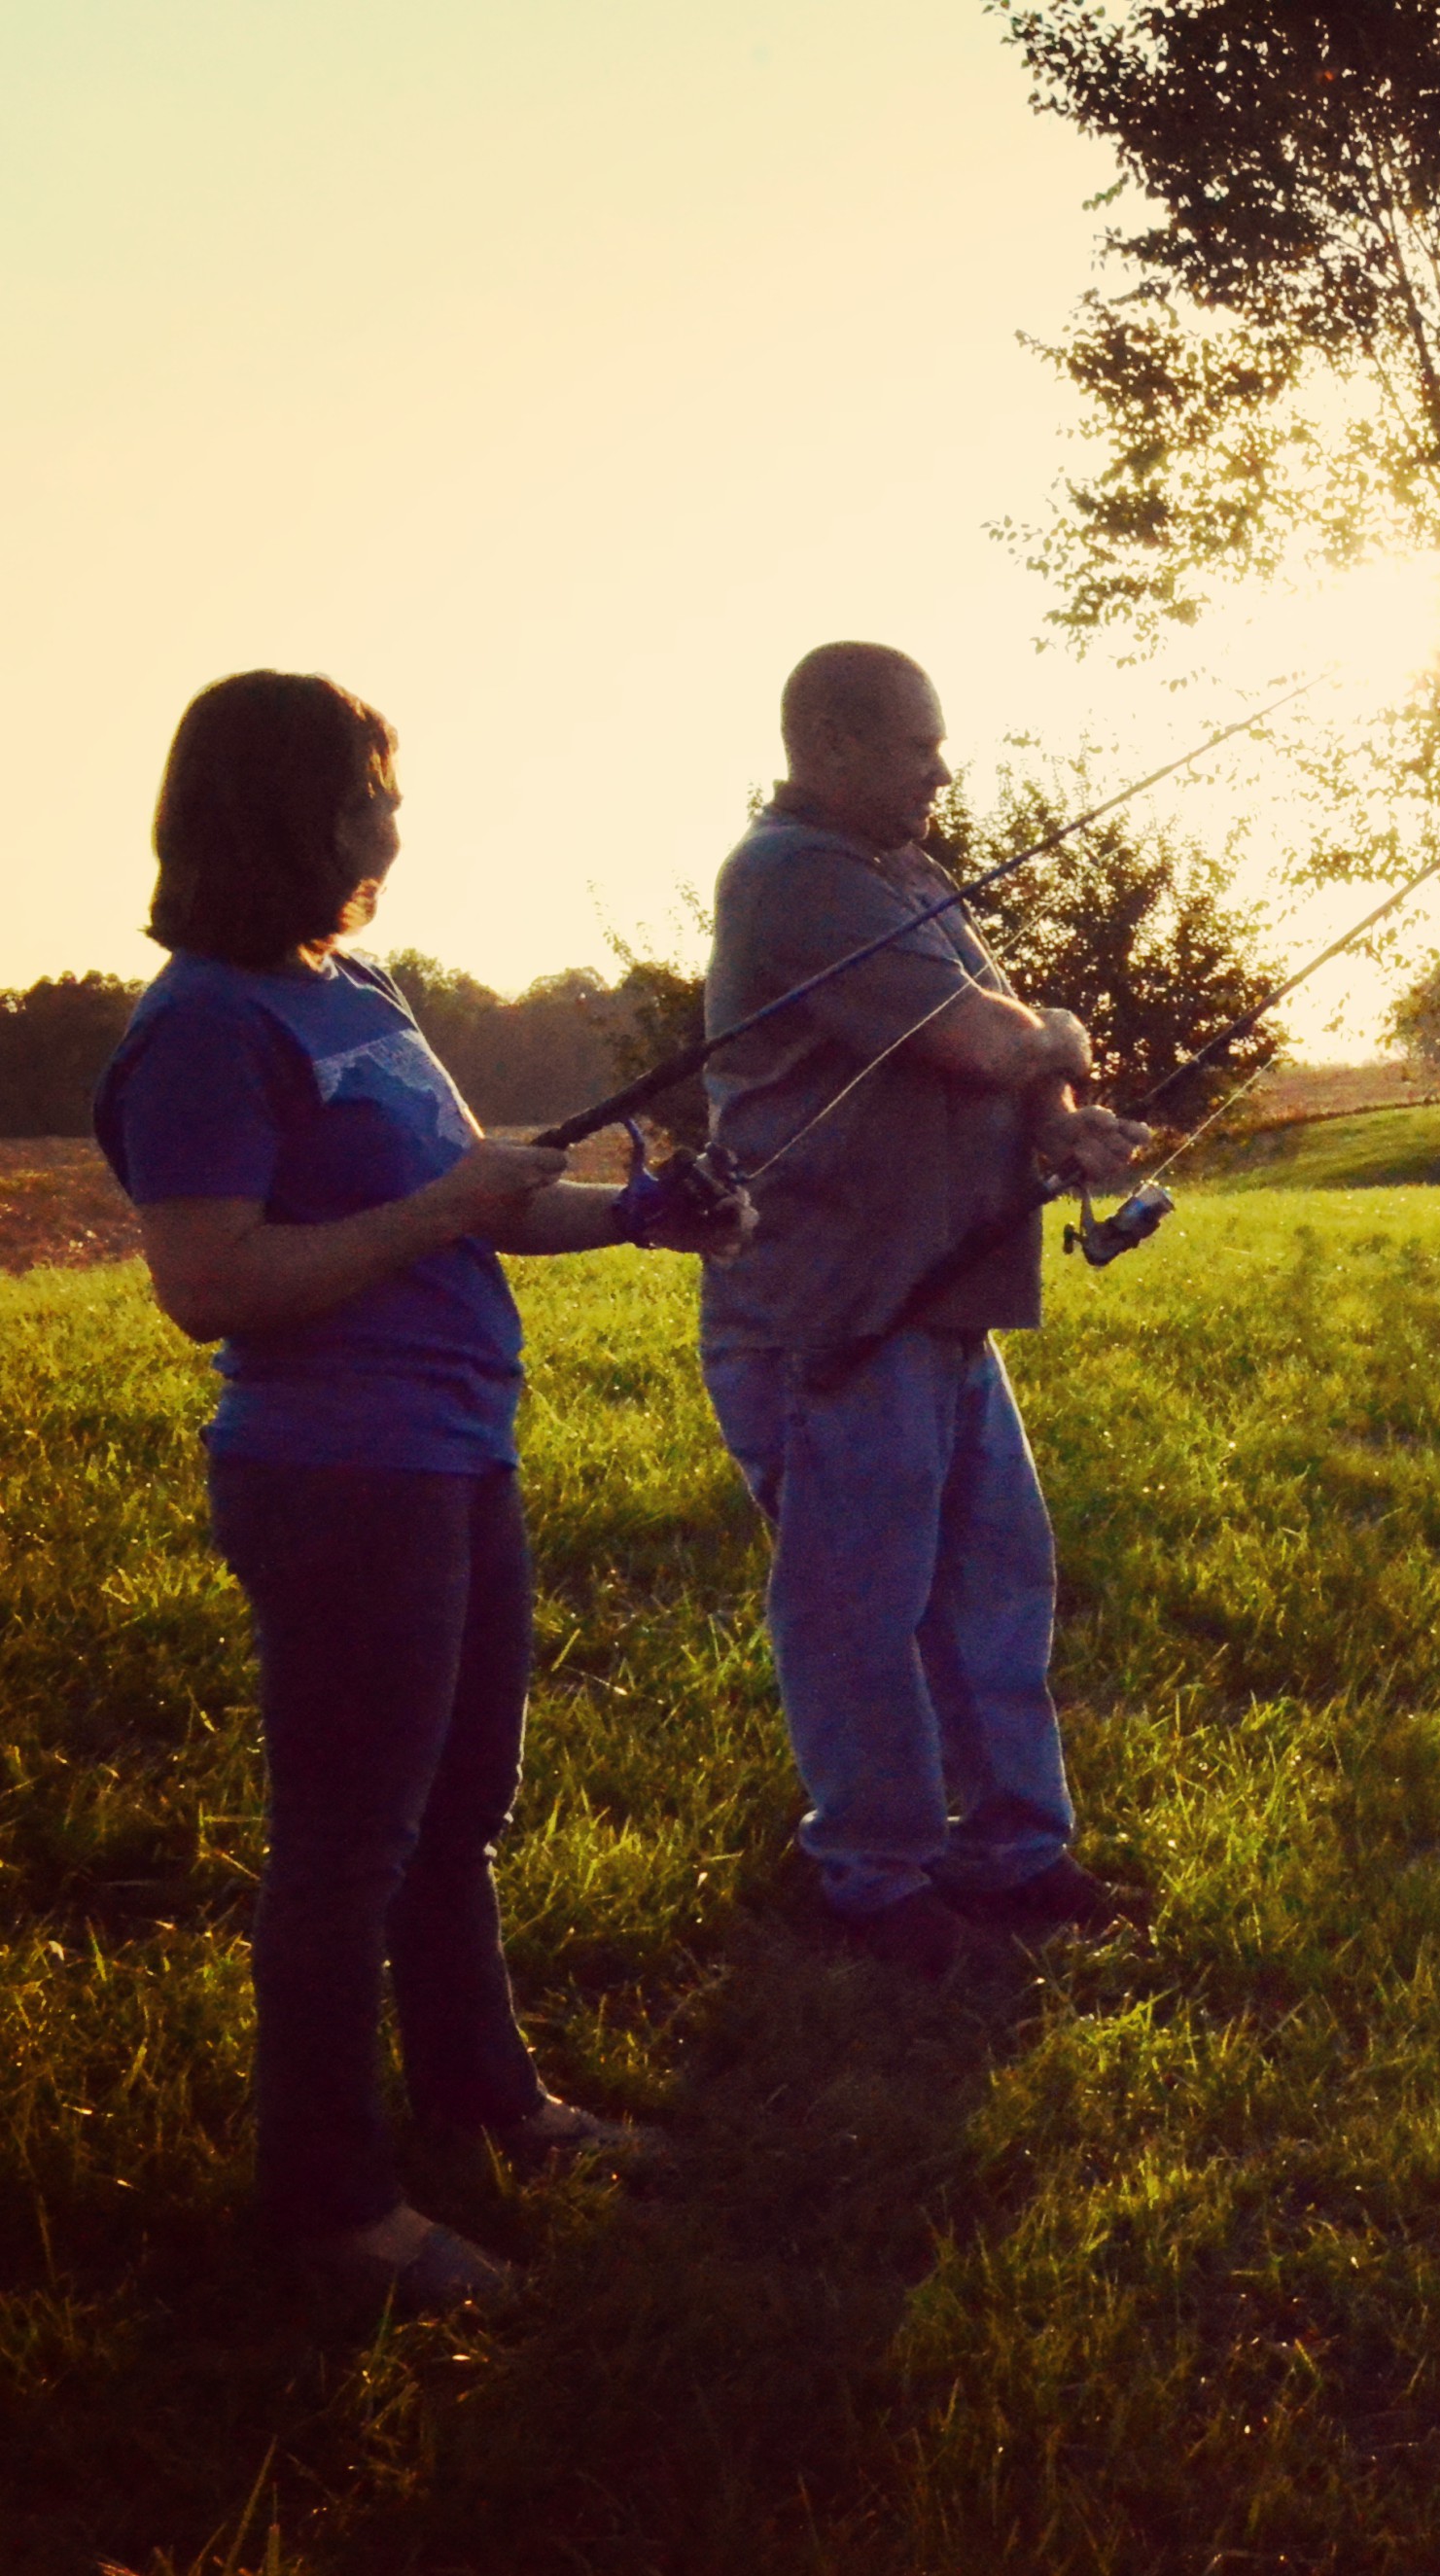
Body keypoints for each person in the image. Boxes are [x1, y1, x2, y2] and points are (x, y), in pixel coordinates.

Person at [94, 670, 752, 2311]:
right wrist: (445, 1206)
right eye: (375, 789)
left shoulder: (356, 986)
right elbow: (211, 1279)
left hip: (457, 1453)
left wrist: (637, 1213)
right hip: (336, 1478)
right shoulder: (203, 1023)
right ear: (296, 807)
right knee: (346, 1844)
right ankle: (332, 2206)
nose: (398, 818)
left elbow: (488, 1204)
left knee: (456, 1815)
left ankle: (490, 2096)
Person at [696, 643, 1153, 1975]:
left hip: (942, 1299)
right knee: (860, 1604)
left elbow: (1016, 1064)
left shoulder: (916, 880)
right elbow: (991, 1037)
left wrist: (1063, 1126)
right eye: (917, 746)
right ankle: (877, 1876)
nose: (942, 771)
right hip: (835, 1311)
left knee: (995, 1580)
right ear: (829, 746)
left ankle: (1012, 1848)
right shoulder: (791, 878)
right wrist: (1056, 1039)